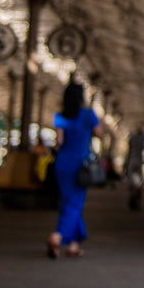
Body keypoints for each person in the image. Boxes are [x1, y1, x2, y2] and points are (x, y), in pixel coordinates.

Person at [48, 80, 102, 258]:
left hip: (62, 163)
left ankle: (73, 245)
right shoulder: (88, 115)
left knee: (68, 203)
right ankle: (58, 236)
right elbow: (99, 133)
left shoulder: (60, 116)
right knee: (75, 204)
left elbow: (60, 142)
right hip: (80, 165)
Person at [124, 125, 144, 210]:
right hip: (139, 161)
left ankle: (131, 199)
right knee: (140, 182)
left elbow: (129, 150)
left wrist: (126, 164)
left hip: (131, 161)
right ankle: (138, 201)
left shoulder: (132, 137)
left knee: (131, 181)